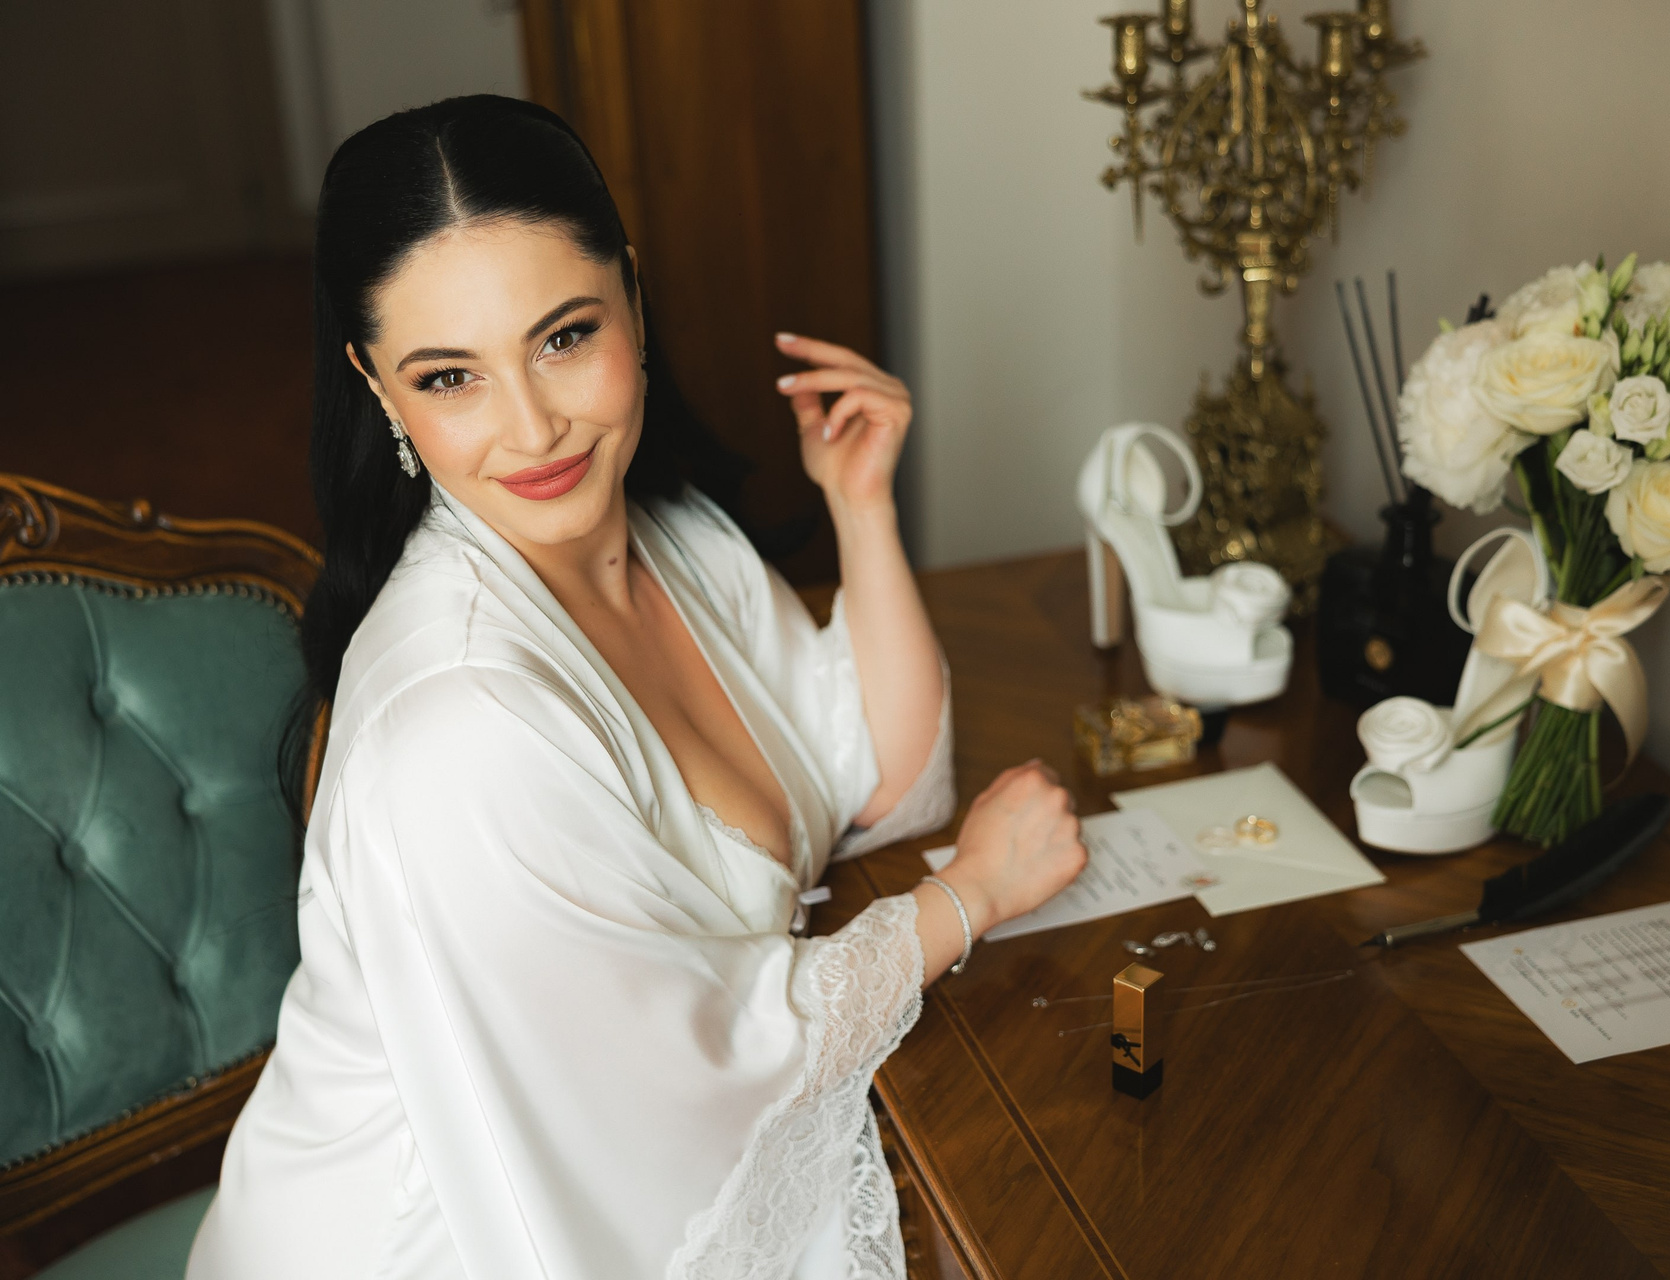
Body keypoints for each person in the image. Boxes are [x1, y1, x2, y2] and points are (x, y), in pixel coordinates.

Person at [187, 95, 1086, 1280]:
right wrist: (969, 894)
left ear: (634, 296)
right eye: (450, 375)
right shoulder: (459, 727)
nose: (533, 428)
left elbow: (881, 781)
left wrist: (861, 505)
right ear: (378, 387)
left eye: (563, 337)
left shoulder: (673, 539)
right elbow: (689, 1083)